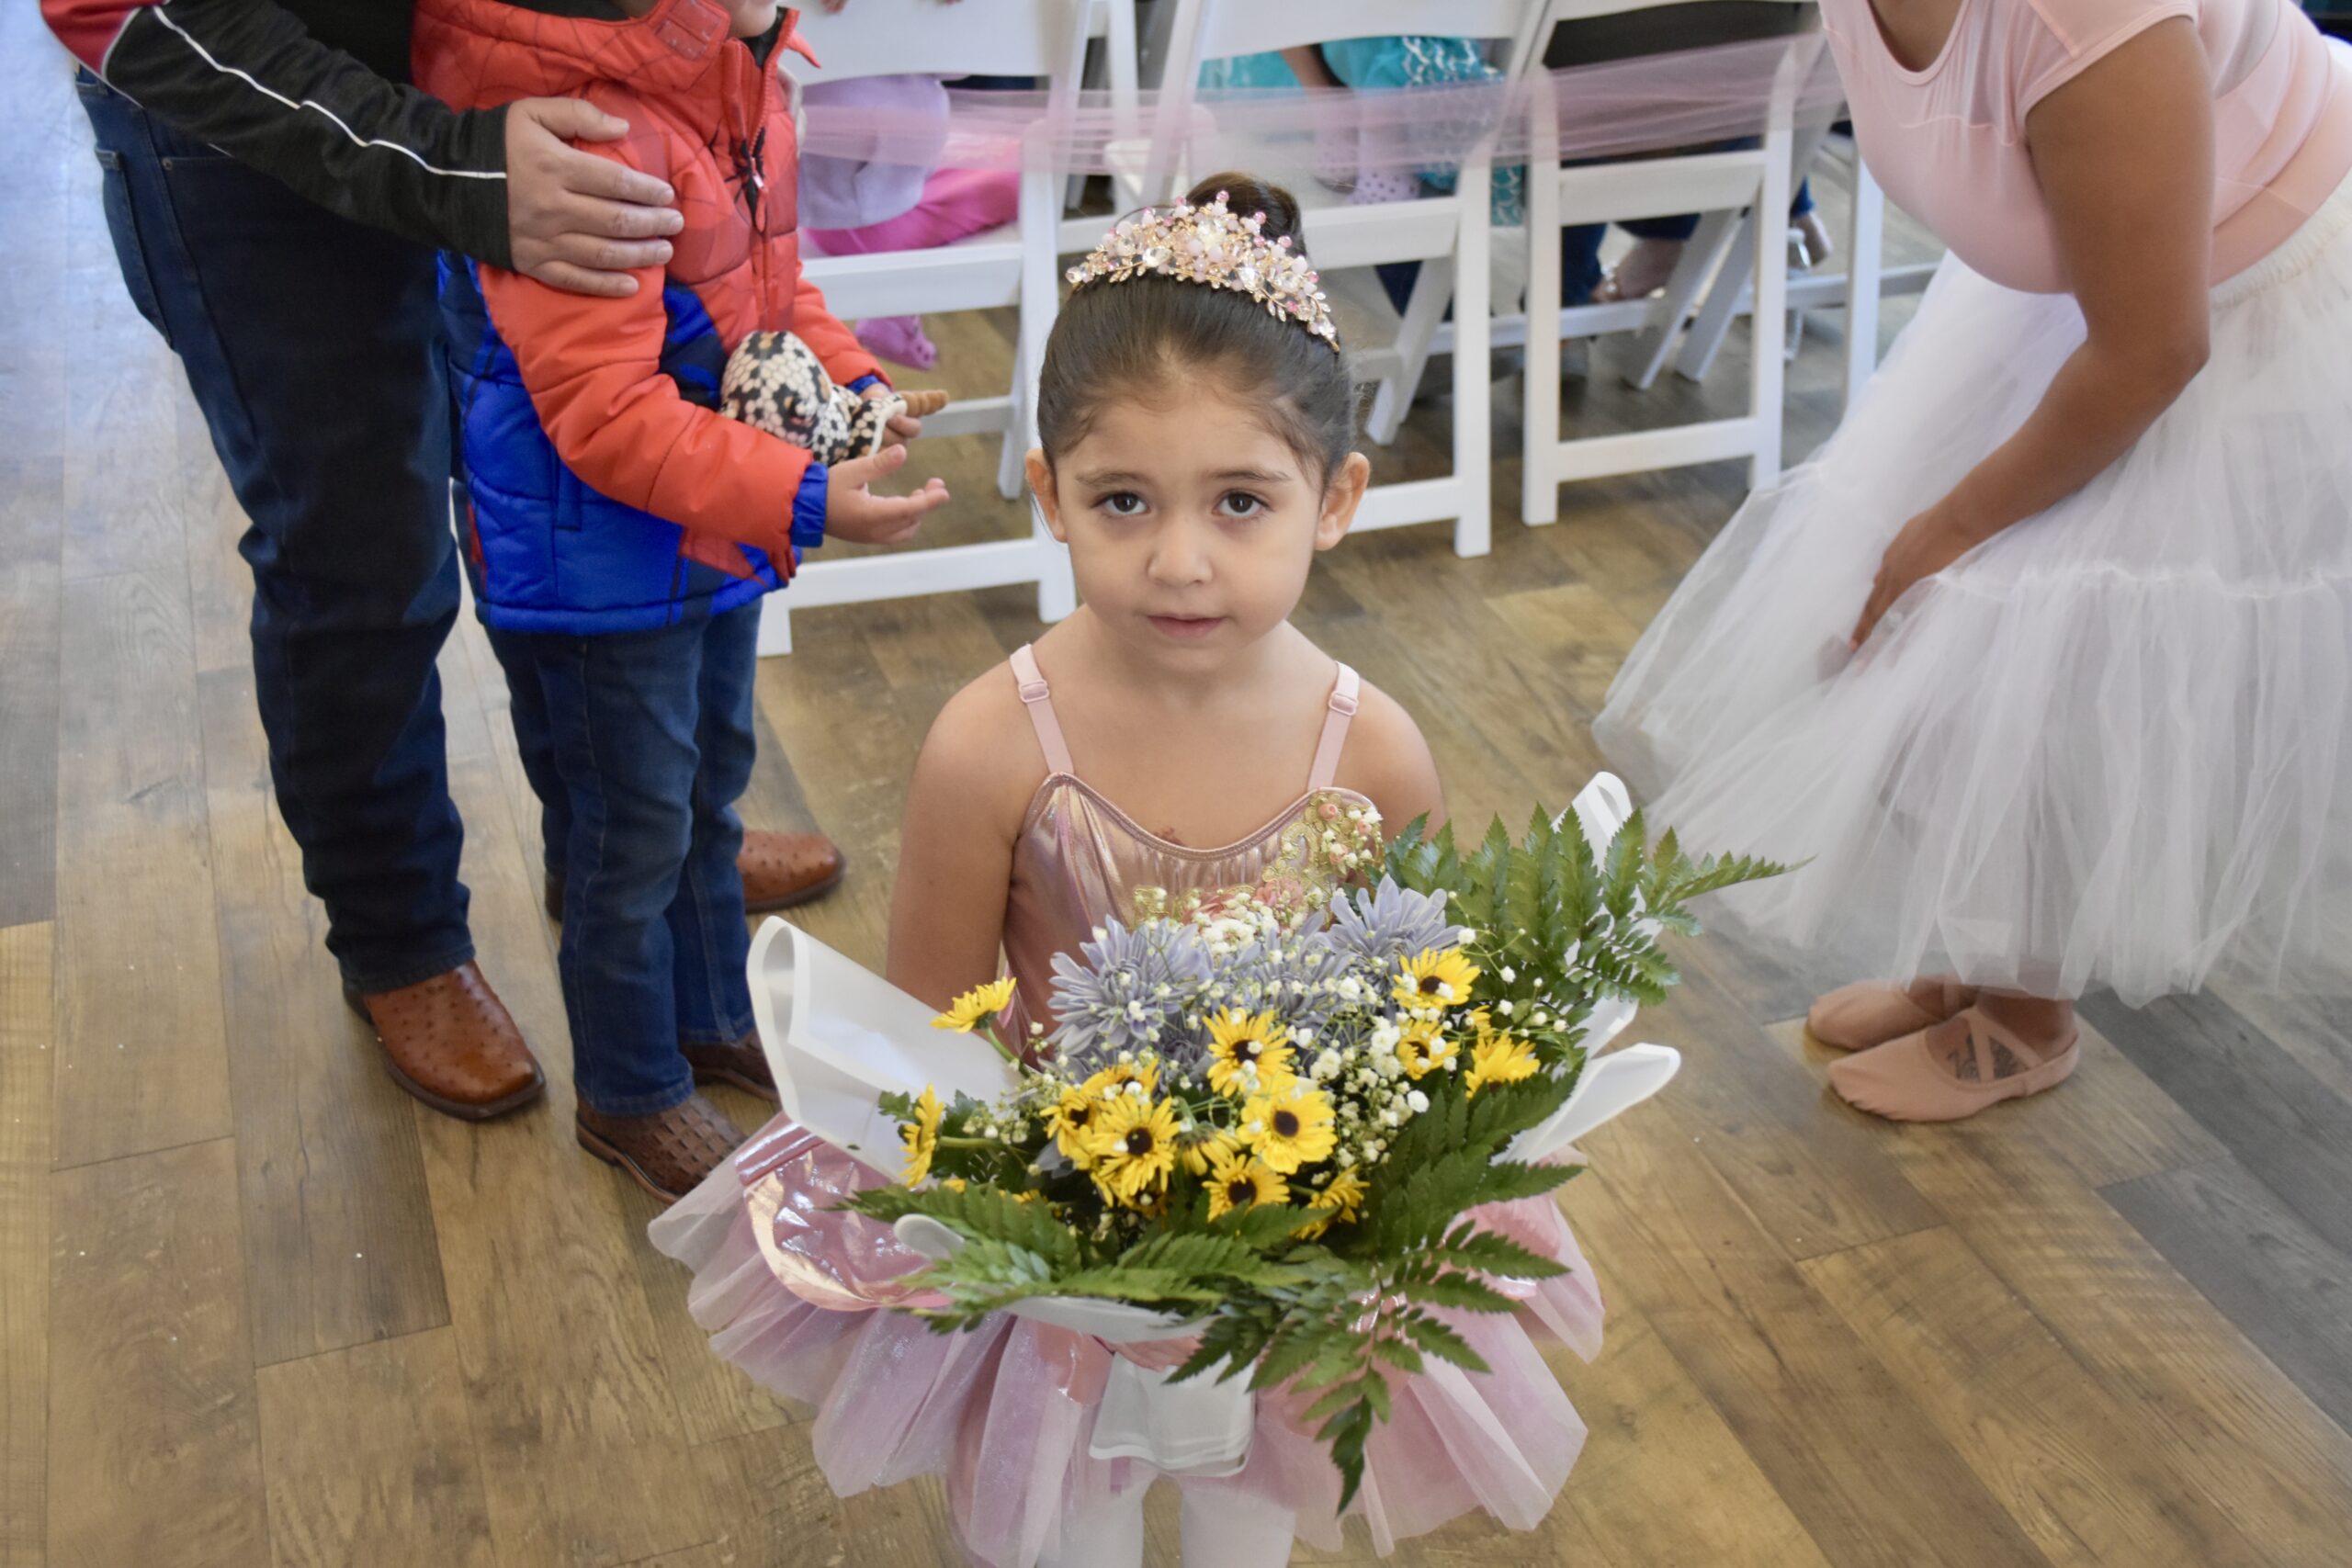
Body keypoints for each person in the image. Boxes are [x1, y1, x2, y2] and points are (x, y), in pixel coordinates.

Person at [650, 177, 1608, 1567]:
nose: (1180, 558)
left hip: (1291, 1238)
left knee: (1251, 1507)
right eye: (1121, 500)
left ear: (1334, 498)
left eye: (1240, 500)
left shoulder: (1376, 757)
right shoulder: (990, 747)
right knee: (1063, 1526)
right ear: (1047, 492)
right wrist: (1063, 1224)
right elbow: (924, 1055)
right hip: (1060, 1248)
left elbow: (1412, 1028)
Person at [40, 0, 865, 1121]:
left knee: (555, 484)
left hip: (519, 64)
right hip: (251, 116)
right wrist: (448, 165)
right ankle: (402, 934)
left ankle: (626, 835)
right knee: (360, 557)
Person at [1596, 0, 2352, 1120]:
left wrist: (1950, 526)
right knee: (1927, 626)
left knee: (2039, 650)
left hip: (2261, 299)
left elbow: (2154, 349)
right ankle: (1981, 964)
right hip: (2091, 281)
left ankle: (2028, 1016)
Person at [409, 0, 952, 1197]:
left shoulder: (736, 68)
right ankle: (630, 1081)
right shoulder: (587, 132)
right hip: (598, 565)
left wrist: (852, 383)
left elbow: (771, 287)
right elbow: (601, 417)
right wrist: (804, 498)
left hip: (707, 523)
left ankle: (706, 1013)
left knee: (708, 784)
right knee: (627, 835)